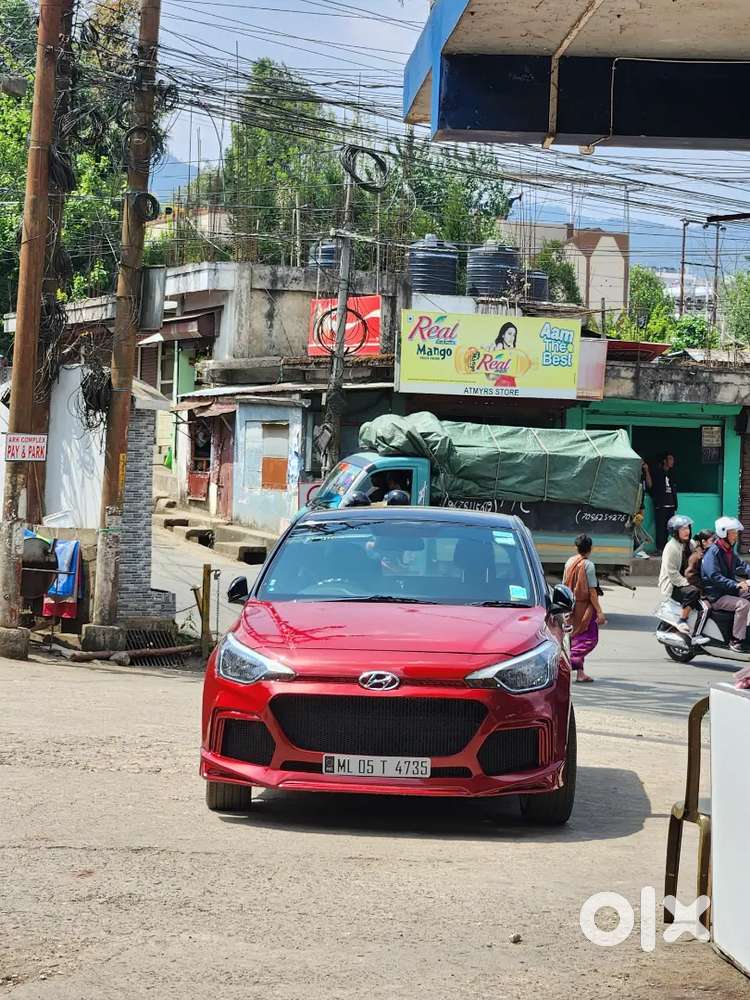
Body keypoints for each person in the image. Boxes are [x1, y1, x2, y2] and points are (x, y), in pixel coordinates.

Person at [701, 516, 750, 653]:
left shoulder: (728, 551)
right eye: (733, 533)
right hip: (716, 596)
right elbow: (714, 576)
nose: (736, 536)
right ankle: (736, 640)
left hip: (728, 591)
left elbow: (742, 566)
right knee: (743, 604)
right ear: (723, 533)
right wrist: (736, 585)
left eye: (736, 533)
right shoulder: (713, 553)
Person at [563, 533, 606, 684]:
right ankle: (569, 660)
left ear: (576, 548)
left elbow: (565, 583)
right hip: (584, 607)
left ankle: (580, 674)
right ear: (591, 548)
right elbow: (592, 591)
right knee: (589, 639)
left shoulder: (570, 561)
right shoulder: (588, 565)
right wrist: (599, 611)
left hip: (570, 606)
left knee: (575, 638)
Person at [658, 515, 699, 634]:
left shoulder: (690, 544)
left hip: (687, 580)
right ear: (675, 532)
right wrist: (688, 583)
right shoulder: (671, 548)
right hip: (673, 585)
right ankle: (682, 620)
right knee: (694, 592)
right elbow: (672, 573)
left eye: (688, 528)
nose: (687, 531)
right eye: (683, 529)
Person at [649, 453, 678, 553]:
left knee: (669, 528)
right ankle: (660, 549)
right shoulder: (657, 473)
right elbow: (652, 487)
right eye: (670, 459)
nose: (672, 461)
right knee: (660, 528)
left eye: (672, 459)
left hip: (671, 505)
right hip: (661, 505)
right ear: (665, 461)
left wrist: (675, 503)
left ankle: (667, 548)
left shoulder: (672, 473)